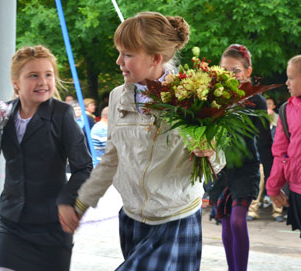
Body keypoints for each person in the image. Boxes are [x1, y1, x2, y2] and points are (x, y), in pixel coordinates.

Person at [59, 12, 226, 271]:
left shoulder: (193, 97)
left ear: (155, 58)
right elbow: (111, 159)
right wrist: (81, 203)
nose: (119, 61)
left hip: (175, 218)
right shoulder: (117, 97)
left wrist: (210, 151)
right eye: (119, 52)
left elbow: (218, 159)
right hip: (133, 218)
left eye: (127, 54)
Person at [0, 45, 92, 271]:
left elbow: (85, 167)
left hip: (52, 226)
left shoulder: (62, 114)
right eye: (34, 75)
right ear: (16, 83)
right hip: (11, 223)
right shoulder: (1, 113)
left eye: (48, 75)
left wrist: (66, 202)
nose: (43, 82)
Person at [208, 44, 274, 271]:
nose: (229, 75)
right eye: (223, 70)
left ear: (247, 71)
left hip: (246, 170)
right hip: (220, 171)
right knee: (226, 224)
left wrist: (274, 178)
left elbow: (266, 142)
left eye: (234, 70)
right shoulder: (212, 97)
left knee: (237, 221)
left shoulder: (257, 101)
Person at [266, 55, 301, 238]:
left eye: (291, 78)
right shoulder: (286, 110)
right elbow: (280, 154)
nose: (287, 82)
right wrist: (273, 188)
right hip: (297, 191)